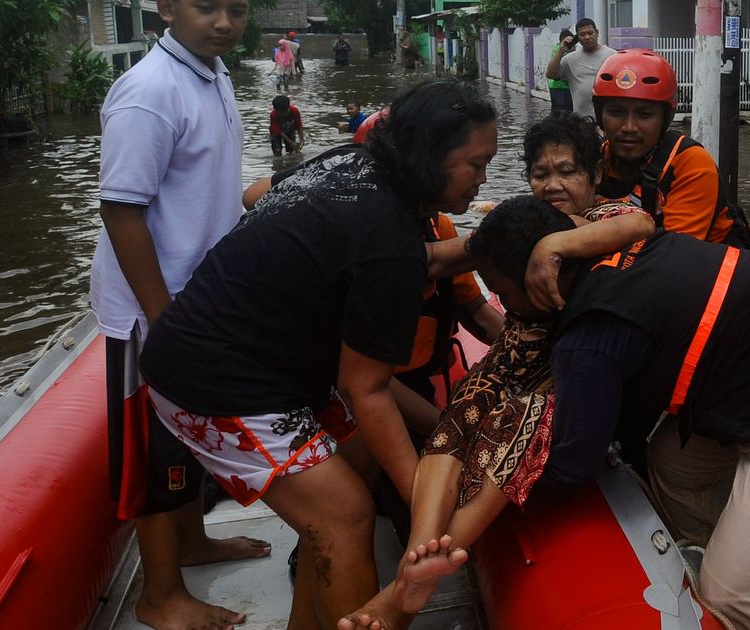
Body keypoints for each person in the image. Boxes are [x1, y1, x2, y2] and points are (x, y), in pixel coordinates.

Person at [137, 77, 498, 629]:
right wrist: (429, 510)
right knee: (344, 516)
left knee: (352, 469)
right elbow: (367, 389)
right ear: (430, 159)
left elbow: (256, 194)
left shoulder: (347, 163)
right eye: (476, 165)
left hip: (241, 356)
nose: (483, 179)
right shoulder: (391, 241)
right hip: (213, 380)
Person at [464, 199, 750, 630]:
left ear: (542, 274)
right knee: (674, 465)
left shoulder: (591, 335)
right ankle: (735, 550)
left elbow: (574, 464)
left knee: (736, 599)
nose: (506, 306)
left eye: (502, 293)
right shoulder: (611, 247)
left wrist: (494, 468)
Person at [340, 111, 657, 630]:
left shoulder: (609, 218)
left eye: (568, 171)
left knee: (515, 434)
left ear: (595, 176)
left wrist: (555, 245)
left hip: (566, 371)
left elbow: (642, 222)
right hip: (514, 351)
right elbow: (449, 260)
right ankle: (421, 552)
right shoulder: (520, 220)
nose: (552, 184)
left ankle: (401, 593)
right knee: (460, 414)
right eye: (540, 172)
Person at [89, 1, 268, 629]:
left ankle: (193, 542)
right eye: (206, 6)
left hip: (197, 300)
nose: (223, 22)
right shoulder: (149, 92)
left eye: (237, 10)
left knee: (184, 432)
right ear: (167, 6)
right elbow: (121, 210)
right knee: (152, 445)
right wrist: (161, 316)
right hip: (150, 312)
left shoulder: (210, 73)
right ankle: (160, 593)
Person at [593, 48, 750, 248]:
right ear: (600, 117)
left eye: (644, 115)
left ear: (664, 120)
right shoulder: (593, 159)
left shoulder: (691, 163)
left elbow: (674, 255)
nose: (629, 127)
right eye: (616, 113)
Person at [545, 18, 615, 119]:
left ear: (597, 33)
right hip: (582, 122)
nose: (587, 37)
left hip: (607, 120)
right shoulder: (570, 59)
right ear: (577, 37)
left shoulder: (612, 56)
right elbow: (550, 74)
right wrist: (561, 50)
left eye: (590, 33)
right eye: (582, 34)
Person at [547, 29, 575, 113]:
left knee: (558, 110)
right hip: (560, 85)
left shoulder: (557, 47)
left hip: (556, 85)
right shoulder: (560, 49)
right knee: (563, 111)